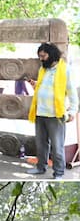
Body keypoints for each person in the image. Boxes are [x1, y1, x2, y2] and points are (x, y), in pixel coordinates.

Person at [26, 42, 78, 180]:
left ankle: (59, 173)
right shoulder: (43, 70)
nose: (41, 59)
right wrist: (35, 85)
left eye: (43, 56)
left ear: (52, 55)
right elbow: (45, 88)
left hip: (56, 115)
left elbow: (72, 93)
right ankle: (40, 167)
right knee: (41, 144)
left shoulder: (65, 70)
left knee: (57, 146)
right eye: (40, 56)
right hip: (40, 113)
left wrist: (72, 111)